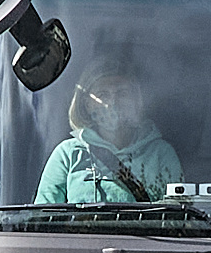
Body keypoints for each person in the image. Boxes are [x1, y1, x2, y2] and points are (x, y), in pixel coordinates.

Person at [35, 71, 183, 208]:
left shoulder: (161, 153)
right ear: (87, 104)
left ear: (136, 100)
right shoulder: (67, 154)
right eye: (103, 95)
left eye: (122, 93)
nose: (112, 102)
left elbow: (177, 214)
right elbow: (42, 218)